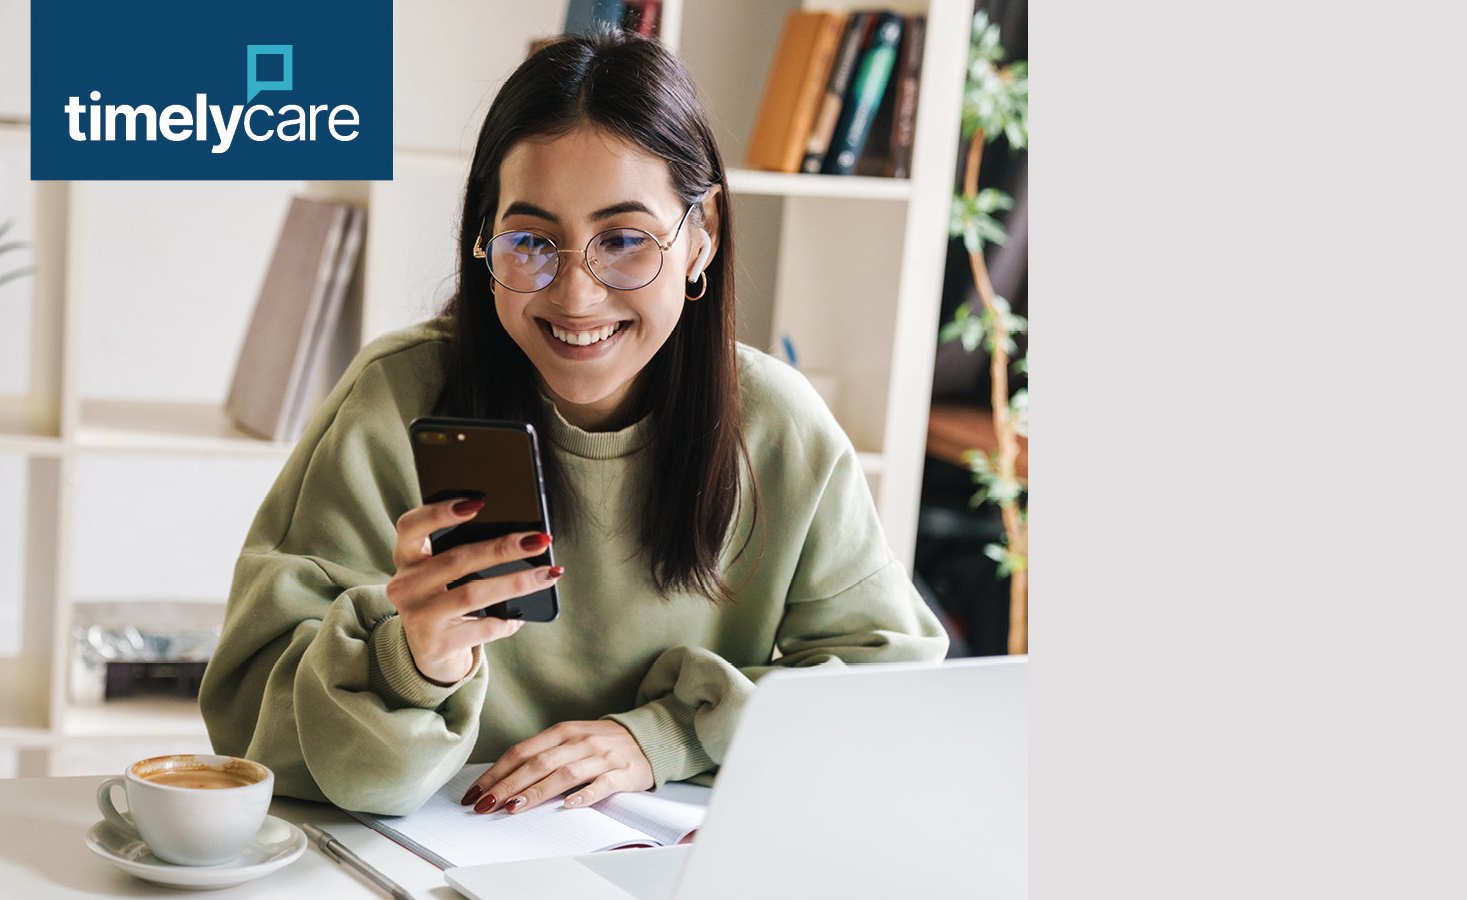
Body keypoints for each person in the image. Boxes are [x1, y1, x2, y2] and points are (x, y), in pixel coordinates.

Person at [199, 27, 948, 817]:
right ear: (485, 240)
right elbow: (251, 733)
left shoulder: (779, 427)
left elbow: (888, 690)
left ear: (704, 237)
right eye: (532, 242)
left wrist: (665, 739)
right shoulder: (394, 401)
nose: (576, 295)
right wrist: (415, 663)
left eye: (623, 241)